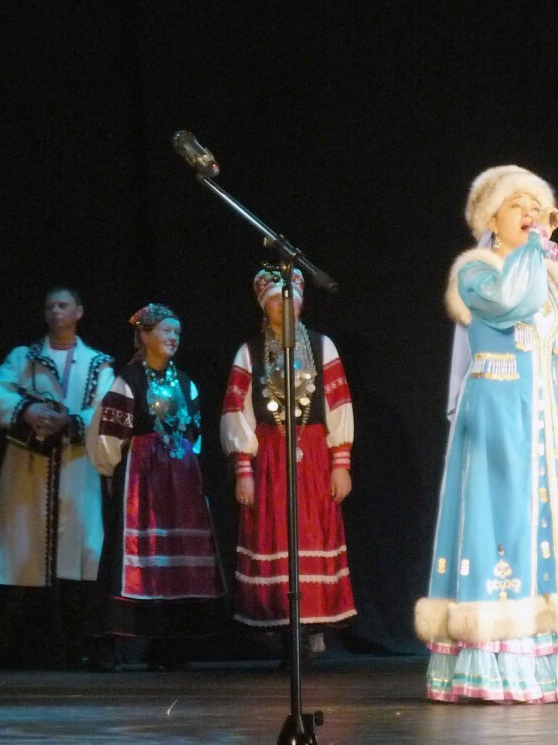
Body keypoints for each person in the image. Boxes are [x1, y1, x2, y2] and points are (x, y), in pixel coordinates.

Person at [415, 165, 558, 703]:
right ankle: (491, 662)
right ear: (491, 218)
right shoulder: (476, 272)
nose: (532, 214)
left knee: (544, 534)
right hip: (495, 415)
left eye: (537, 206)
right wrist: (535, 251)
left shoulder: (554, 283)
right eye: (518, 205)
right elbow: (512, 301)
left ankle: (545, 665)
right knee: (500, 530)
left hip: (542, 423)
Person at [221, 267, 356, 662]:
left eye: (291, 300)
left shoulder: (321, 346)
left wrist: (340, 461)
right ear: (265, 307)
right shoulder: (250, 351)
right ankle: (284, 630)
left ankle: (310, 629)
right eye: (277, 302)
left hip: (313, 452)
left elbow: (338, 403)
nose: (285, 307)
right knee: (275, 533)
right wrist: (243, 469)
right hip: (270, 454)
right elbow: (236, 412)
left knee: (312, 532)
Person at [0, 287, 114, 668]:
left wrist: (70, 421)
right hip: (28, 470)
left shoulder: (98, 364)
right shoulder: (24, 357)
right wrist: (26, 411)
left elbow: (107, 409)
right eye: (50, 305)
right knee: (19, 555)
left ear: (79, 311)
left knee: (79, 557)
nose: (56, 312)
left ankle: (78, 648)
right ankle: (6, 649)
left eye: (63, 305)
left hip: (76, 468)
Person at [87, 303, 225, 670]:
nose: (173, 337)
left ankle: (170, 646)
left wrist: (186, 466)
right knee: (129, 555)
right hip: (141, 481)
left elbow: (194, 433)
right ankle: (108, 645)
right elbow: (109, 436)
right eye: (166, 330)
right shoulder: (128, 380)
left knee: (175, 555)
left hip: (180, 482)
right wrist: (114, 471)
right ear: (144, 335)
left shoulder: (185, 383)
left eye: (177, 332)